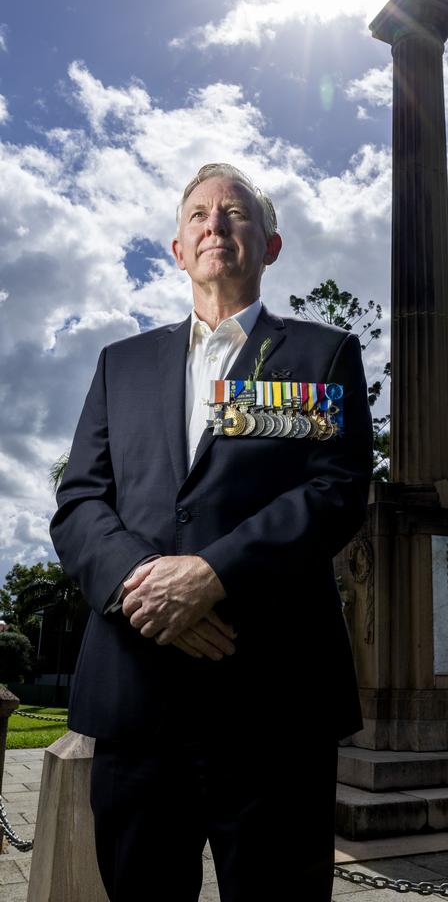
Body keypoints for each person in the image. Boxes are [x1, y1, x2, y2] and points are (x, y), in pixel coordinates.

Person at [49, 162, 373, 902]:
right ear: (176, 247)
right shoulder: (120, 366)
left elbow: (333, 492)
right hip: (137, 703)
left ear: (271, 245)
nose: (215, 225)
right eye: (198, 214)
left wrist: (210, 576)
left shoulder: (316, 357)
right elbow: (80, 503)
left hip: (273, 709)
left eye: (235, 213)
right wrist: (147, 588)